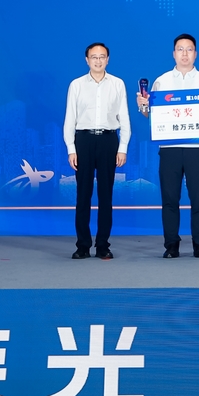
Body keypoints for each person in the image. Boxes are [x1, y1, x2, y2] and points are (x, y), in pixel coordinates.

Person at [137, 33, 199, 258]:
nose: (184, 54)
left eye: (189, 49)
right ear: (174, 53)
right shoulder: (162, 81)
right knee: (170, 198)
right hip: (169, 149)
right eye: (180, 49)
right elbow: (152, 117)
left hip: (197, 149)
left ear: (195, 54)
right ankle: (171, 245)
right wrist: (143, 106)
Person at [63, 42, 130, 260]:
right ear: (87, 60)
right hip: (83, 140)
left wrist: (123, 147)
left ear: (108, 59)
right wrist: (71, 149)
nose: (98, 61)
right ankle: (82, 245)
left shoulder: (118, 84)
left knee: (105, 195)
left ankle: (103, 245)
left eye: (102, 57)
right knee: (83, 195)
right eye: (94, 57)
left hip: (109, 140)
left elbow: (124, 118)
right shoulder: (76, 85)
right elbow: (70, 119)